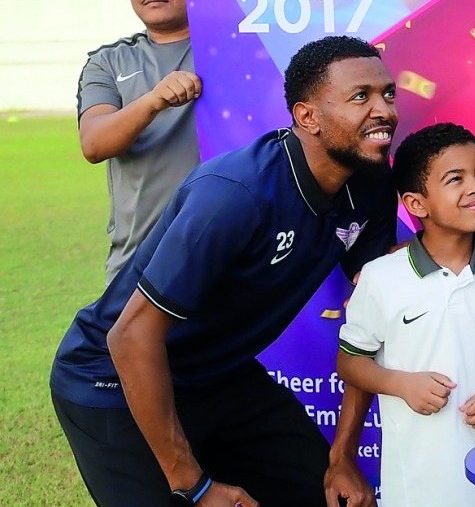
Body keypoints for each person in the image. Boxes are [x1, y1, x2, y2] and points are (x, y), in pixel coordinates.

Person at [51, 35, 399, 507]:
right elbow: (129, 337)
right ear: (307, 117)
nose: (384, 110)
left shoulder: (373, 181)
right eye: (361, 96)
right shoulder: (236, 194)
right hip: (111, 377)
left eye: (387, 94)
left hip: (216, 374)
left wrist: (342, 459)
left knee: (327, 496)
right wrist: (194, 486)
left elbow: (371, 317)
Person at [337, 123, 475, 507]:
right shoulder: (381, 276)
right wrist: (401, 384)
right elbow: (350, 361)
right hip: (417, 483)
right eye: (455, 179)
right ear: (416, 204)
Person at [77, 0, 202, 283]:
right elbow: (95, 143)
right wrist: (154, 101)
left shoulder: (231, 50)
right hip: (136, 263)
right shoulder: (108, 62)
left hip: (225, 256)